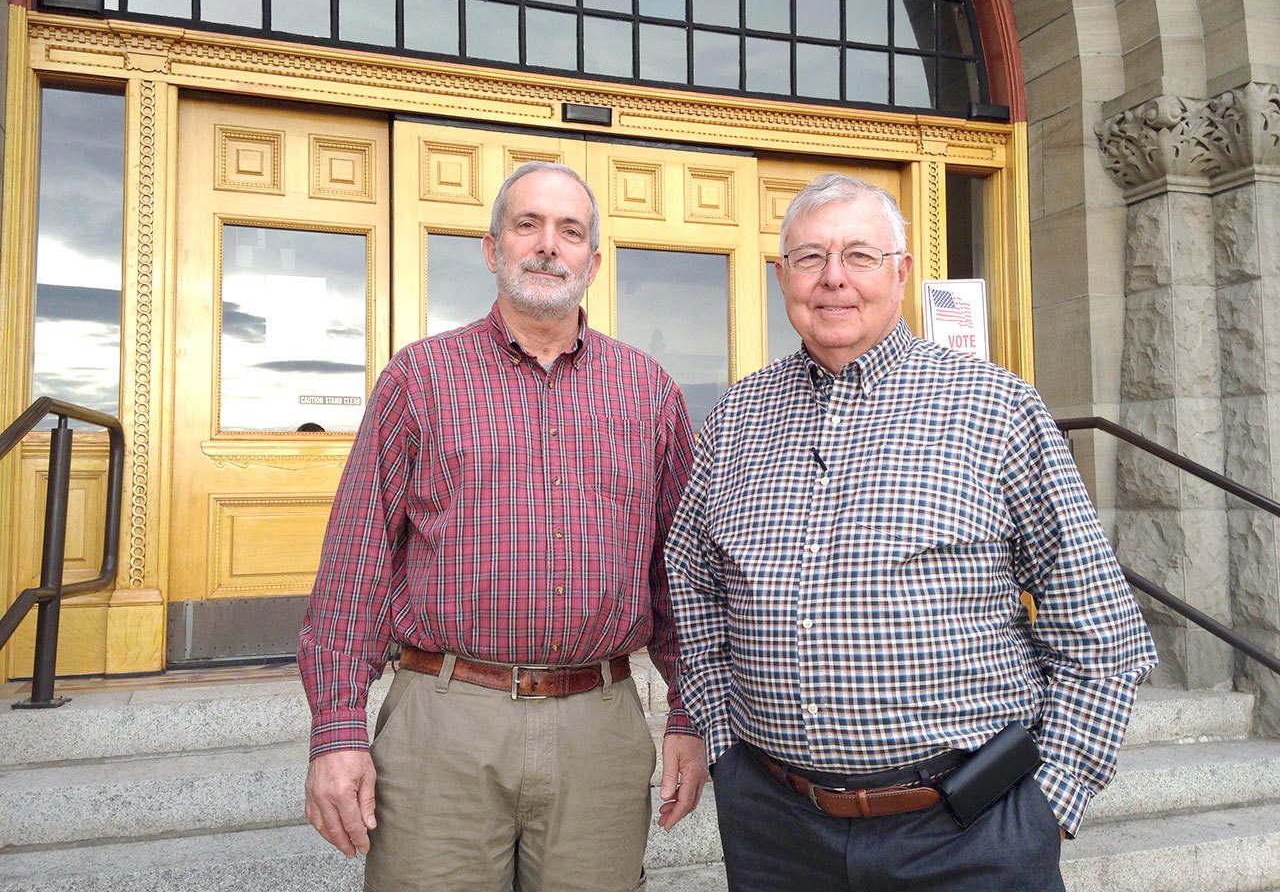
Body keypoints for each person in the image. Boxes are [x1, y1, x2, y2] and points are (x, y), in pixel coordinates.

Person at [664, 173, 1158, 891]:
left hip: (970, 837)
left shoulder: (996, 408)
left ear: (900, 273)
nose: (833, 279)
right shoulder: (735, 421)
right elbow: (693, 582)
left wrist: (1047, 805)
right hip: (777, 832)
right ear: (781, 278)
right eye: (809, 258)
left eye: (859, 255)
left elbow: (1100, 631)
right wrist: (722, 745)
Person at [299, 161, 708, 892]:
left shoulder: (650, 393)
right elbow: (355, 561)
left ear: (593, 259)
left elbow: (679, 577)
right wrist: (336, 729)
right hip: (445, 721)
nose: (548, 246)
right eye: (528, 226)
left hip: (601, 727)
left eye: (570, 231)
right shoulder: (419, 379)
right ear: (493, 249)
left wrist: (688, 714)